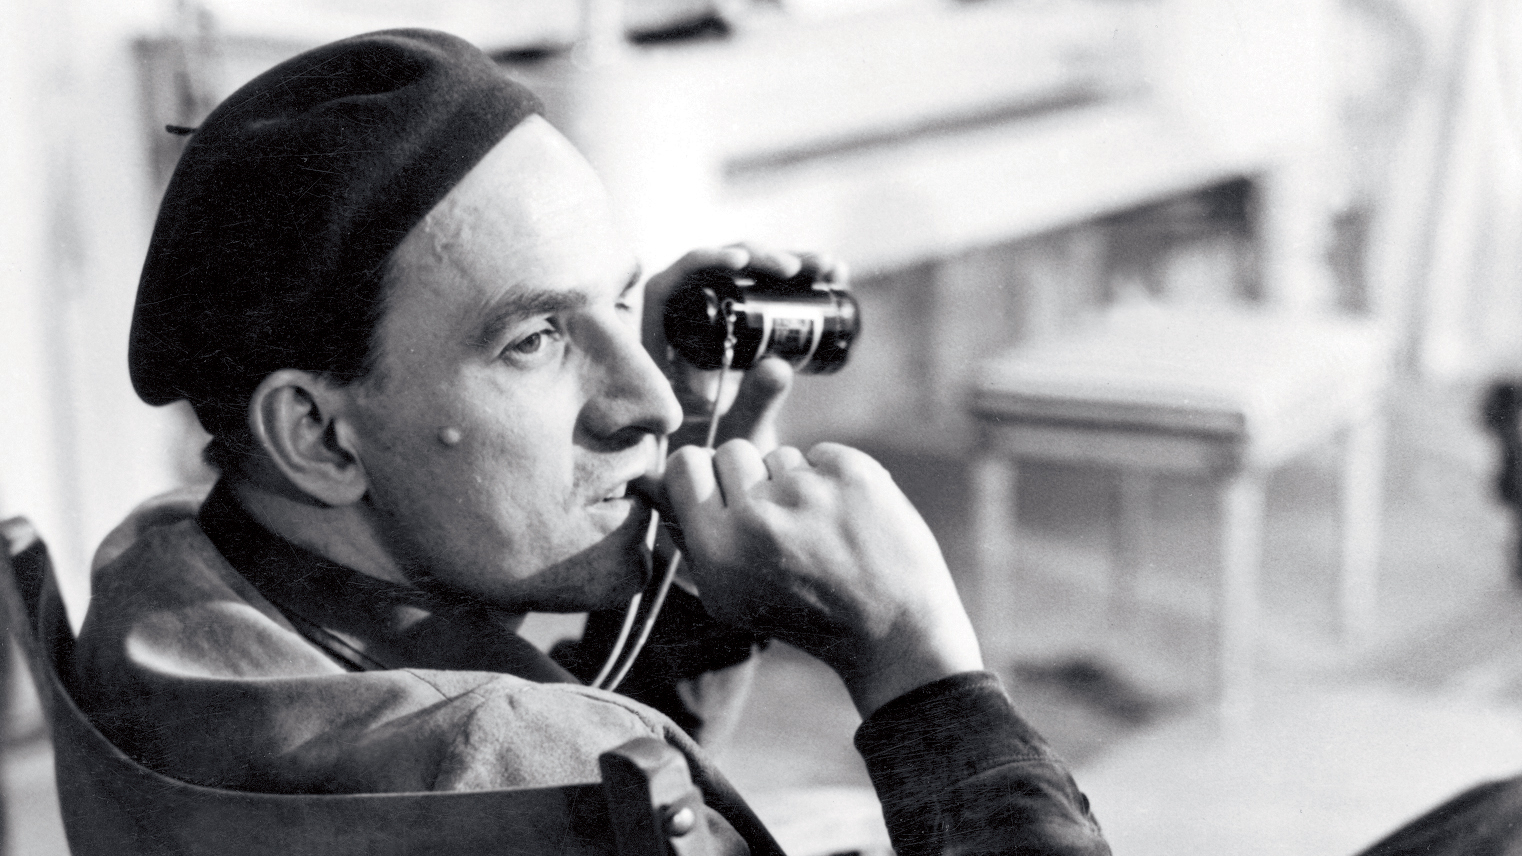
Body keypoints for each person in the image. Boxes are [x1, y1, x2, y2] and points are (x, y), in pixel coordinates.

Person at [72, 28, 1109, 856]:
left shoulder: (162, 567)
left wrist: (678, 572)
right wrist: (915, 666)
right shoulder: (500, 757)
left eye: (619, 301)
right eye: (533, 339)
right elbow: (556, 756)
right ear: (317, 435)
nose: (652, 400)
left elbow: (610, 779)